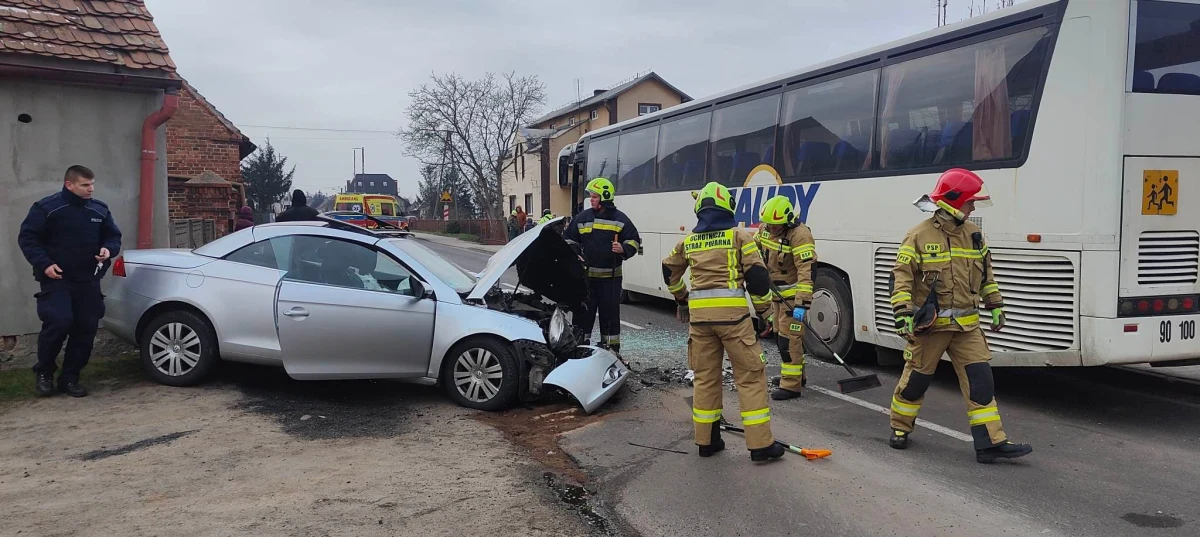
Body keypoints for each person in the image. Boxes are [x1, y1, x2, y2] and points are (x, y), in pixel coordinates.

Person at [888, 168, 1033, 464]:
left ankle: (990, 443)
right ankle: (900, 427)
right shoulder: (918, 235)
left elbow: (986, 276)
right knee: (915, 382)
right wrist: (902, 313)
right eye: (970, 203)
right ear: (953, 201)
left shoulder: (973, 236)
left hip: (967, 328)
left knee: (981, 383)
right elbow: (901, 278)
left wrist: (995, 305)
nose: (973, 209)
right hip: (931, 328)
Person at [662, 182, 784, 462]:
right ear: (727, 207)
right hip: (734, 321)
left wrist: (682, 299)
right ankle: (760, 446)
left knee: (705, 379)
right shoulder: (739, 236)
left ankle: (707, 441)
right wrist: (765, 313)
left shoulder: (688, 241)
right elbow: (757, 278)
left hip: (700, 323)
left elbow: (668, 270)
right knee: (750, 377)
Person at [17, 165, 121, 397]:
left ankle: (70, 378)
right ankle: (44, 372)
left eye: (92, 184)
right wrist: (45, 264)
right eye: (85, 185)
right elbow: (28, 239)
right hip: (57, 279)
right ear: (69, 184)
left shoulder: (99, 209)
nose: (90, 189)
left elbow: (113, 236)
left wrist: (108, 249)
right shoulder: (47, 208)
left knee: (86, 328)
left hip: (89, 280)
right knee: (59, 321)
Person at [562, 177, 641, 353]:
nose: (591, 200)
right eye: (591, 196)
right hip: (586, 281)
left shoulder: (620, 219)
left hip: (610, 280)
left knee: (610, 318)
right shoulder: (583, 218)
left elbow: (634, 240)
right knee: (582, 317)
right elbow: (568, 239)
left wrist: (624, 248)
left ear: (605, 197)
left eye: (594, 197)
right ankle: (580, 350)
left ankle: (611, 352)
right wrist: (575, 253)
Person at [749, 195, 816, 401]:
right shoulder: (765, 229)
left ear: (787, 221)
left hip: (793, 299)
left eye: (775, 225)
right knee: (780, 337)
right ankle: (797, 376)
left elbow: (807, 271)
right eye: (768, 224)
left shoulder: (800, 235)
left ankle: (791, 385)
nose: (771, 228)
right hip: (776, 296)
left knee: (789, 340)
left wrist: (802, 304)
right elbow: (754, 248)